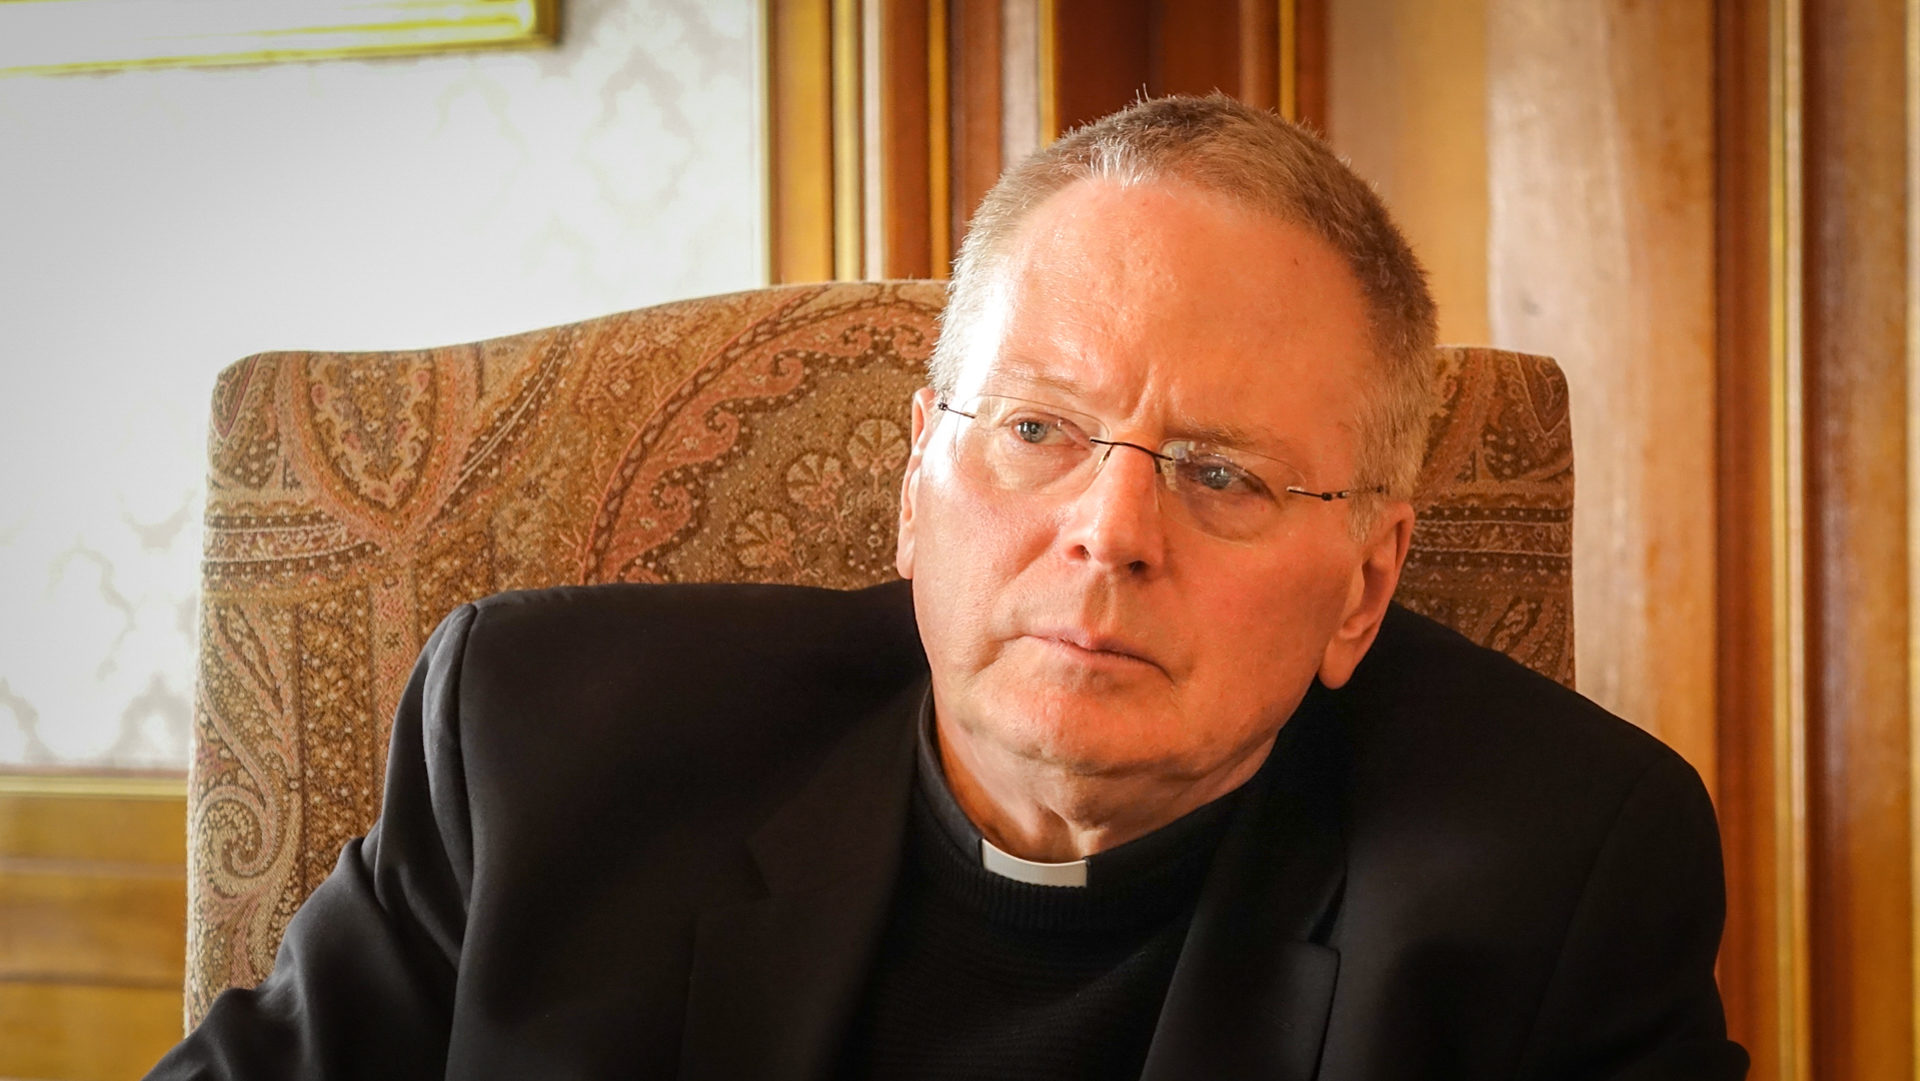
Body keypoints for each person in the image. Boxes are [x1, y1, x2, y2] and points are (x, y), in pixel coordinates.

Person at [148, 95, 1746, 1080]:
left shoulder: (1561, 872)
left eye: (1221, 472)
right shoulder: (543, 747)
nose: (1109, 532)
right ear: (918, 480)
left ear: (1363, 584)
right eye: (1040, 428)